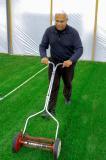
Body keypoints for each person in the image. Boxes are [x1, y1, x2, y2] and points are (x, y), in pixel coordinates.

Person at [39, 11, 83, 118]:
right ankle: (50, 110)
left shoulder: (73, 33)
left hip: (68, 63)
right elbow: (42, 46)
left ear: (67, 20)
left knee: (67, 83)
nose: (59, 23)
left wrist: (71, 60)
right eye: (57, 21)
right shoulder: (49, 31)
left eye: (62, 21)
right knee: (53, 85)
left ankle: (67, 97)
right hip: (54, 61)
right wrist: (43, 56)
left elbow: (79, 49)